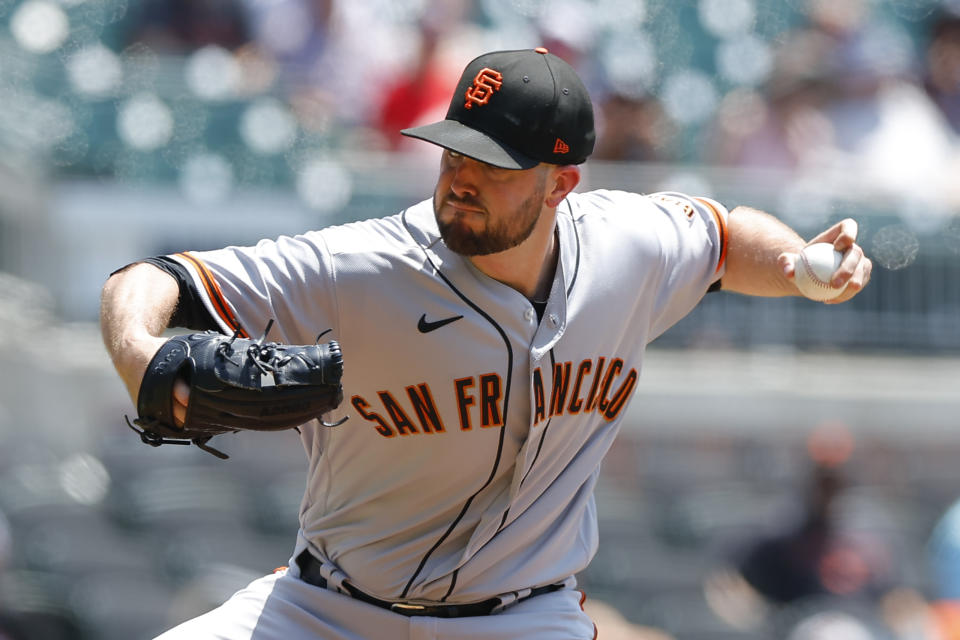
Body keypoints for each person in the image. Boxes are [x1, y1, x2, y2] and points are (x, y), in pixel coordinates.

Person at [99, 48, 872, 640]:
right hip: (329, 612)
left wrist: (799, 267)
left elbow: (728, 237)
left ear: (560, 182)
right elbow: (151, 278)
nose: (461, 178)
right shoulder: (364, 265)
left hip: (521, 619)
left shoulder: (628, 245)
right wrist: (143, 353)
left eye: (493, 164)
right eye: (453, 152)